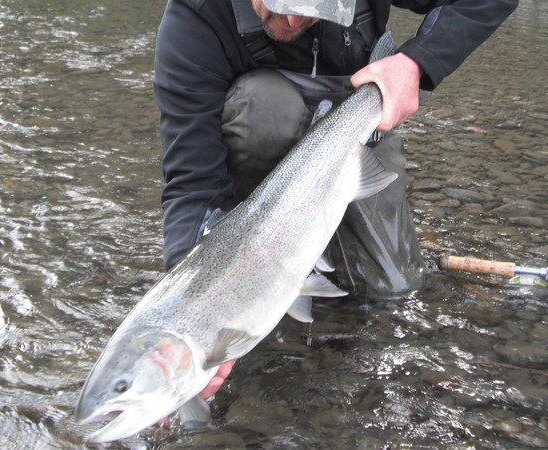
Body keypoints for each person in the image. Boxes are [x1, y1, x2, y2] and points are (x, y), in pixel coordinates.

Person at [153, 0, 517, 397]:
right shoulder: (196, 17)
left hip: (356, 142)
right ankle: (271, 266)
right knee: (263, 104)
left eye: (316, 6)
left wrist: (416, 62)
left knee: (392, 292)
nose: (293, 18)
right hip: (263, 182)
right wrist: (199, 311)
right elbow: (194, 183)